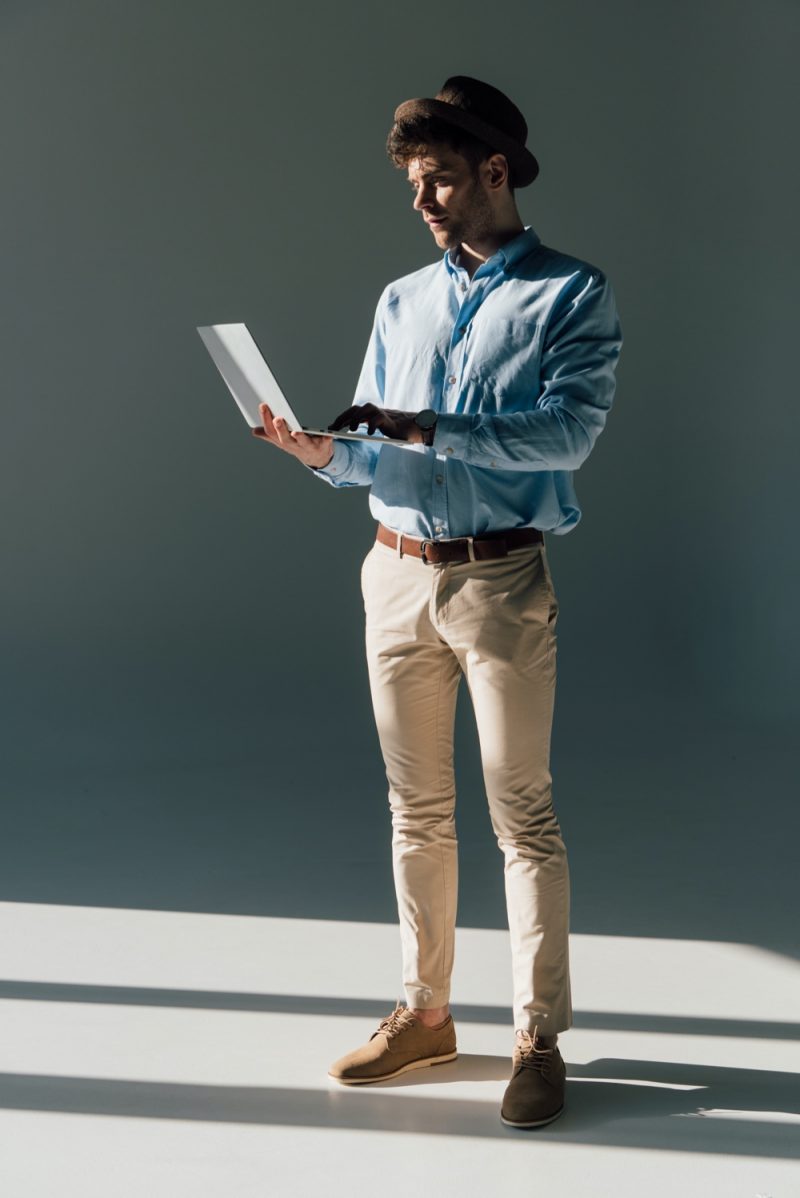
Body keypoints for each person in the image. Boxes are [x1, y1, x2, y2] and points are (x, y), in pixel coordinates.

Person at [252, 75, 622, 1129]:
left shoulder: (570, 293)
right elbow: (372, 443)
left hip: (499, 580)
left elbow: (566, 437)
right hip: (393, 573)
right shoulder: (399, 299)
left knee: (522, 813)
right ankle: (424, 1014)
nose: (421, 201)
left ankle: (536, 1037)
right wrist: (316, 451)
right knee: (414, 809)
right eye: (414, 183)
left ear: (493, 173)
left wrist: (425, 428)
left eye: (440, 180)